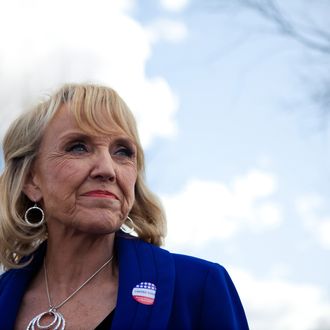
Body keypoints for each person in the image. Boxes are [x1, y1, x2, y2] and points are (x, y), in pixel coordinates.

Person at [0, 83, 249, 330]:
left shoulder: (198, 289)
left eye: (123, 152)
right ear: (31, 180)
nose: (107, 170)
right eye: (78, 147)